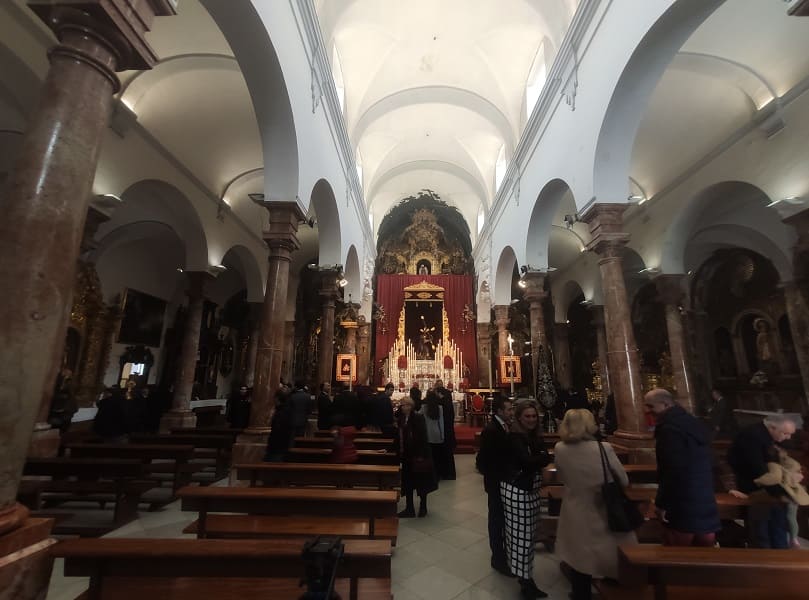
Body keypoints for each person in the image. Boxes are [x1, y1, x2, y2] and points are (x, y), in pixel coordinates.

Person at [554, 409, 637, 600]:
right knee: (609, 546)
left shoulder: (560, 448)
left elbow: (561, 477)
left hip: (576, 506)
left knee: (579, 552)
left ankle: (580, 592)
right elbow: (622, 480)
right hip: (603, 505)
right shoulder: (604, 448)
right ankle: (613, 581)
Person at [644, 388, 720, 546]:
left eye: (651, 406)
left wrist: (663, 503)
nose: (647, 411)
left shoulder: (669, 429)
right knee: (705, 556)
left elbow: (672, 470)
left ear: (665, 404)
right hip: (704, 498)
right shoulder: (692, 422)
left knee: (676, 556)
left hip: (682, 502)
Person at [501, 399, 551, 600]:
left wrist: (539, 458)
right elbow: (528, 461)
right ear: (519, 418)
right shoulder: (515, 437)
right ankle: (525, 581)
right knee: (521, 535)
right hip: (518, 489)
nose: (531, 419)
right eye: (527, 416)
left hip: (530, 488)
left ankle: (525, 576)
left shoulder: (532, 436)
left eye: (533, 416)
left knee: (528, 534)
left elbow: (539, 457)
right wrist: (541, 458)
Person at [726, 413, 798, 548]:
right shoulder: (752, 436)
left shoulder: (765, 435)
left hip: (770, 491)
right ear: (772, 428)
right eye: (785, 433)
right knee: (761, 533)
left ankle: (781, 560)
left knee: (778, 529)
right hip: (756, 491)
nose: (788, 437)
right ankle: (767, 563)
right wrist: (782, 491)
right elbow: (759, 469)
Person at [476, 395, 515, 577]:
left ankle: (504, 554)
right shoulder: (492, 430)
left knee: (502, 518)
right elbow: (482, 460)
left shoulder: (504, 427)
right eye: (509, 409)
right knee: (496, 519)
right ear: (499, 411)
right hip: (496, 482)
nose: (511, 412)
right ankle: (498, 558)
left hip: (503, 481)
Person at [752, 446, 809, 549]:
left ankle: (792, 540)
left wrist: (757, 481)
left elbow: (773, 477)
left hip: (788, 493)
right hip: (793, 493)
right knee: (790, 517)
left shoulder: (774, 465)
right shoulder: (791, 462)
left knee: (782, 519)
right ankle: (793, 539)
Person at [396, 396, 437, 517]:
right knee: (408, 482)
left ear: (410, 406)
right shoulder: (401, 419)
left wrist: (420, 454)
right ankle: (409, 508)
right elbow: (399, 436)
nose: (403, 407)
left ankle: (423, 507)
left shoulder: (418, 418)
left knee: (421, 482)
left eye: (404, 405)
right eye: (402, 405)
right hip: (407, 455)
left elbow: (423, 437)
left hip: (419, 455)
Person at [418, 390, 445, 478]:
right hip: (437, 433)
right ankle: (438, 473)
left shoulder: (424, 407)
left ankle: (430, 474)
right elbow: (441, 423)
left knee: (429, 455)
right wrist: (442, 435)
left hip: (427, 433)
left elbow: (417, 415)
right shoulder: (440, 408)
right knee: (437, 455)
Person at [433, 379, 457, 479]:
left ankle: (441, 472)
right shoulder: (447, 394)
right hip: (446, 426)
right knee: (447, 452)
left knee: (442, 451)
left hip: (441, 426)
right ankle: (448, 473)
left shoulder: (439, 394)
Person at [264, 388, 295, 462]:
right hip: (283, 445)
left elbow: (277, 429)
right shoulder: (288, 409)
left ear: (277, 398)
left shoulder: (281, 412)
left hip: (277, 447)